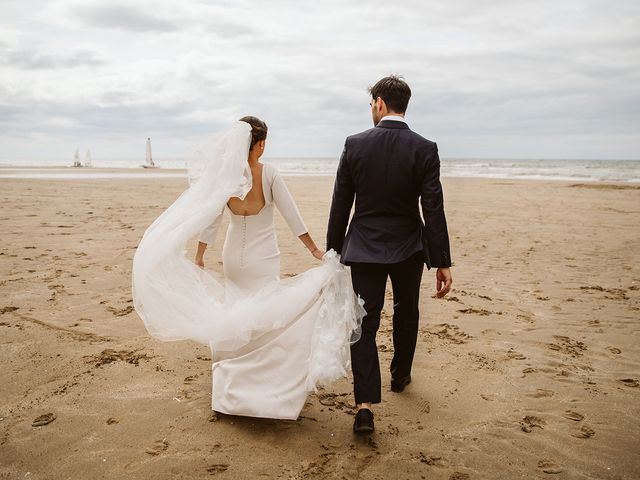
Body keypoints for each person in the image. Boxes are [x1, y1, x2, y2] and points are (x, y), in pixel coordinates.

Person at [132, 118, 363, 421]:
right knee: (263, 321)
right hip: (263, 258)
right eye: (263, 142)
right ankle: (261, 388)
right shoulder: (268, 174)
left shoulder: (226, 178)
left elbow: (211, 220)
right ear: (259, 144)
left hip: (232, 259)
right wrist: (314, 250)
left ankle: (228, 391)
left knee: (235, 316)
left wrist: (201, 255)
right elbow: (292, 217)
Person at [327, 75, 453, 433]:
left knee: (364, 322)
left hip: (364, 248)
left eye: (371, 105)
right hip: (408, 248)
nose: (371, 110)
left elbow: (341, 204)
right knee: (406, 311)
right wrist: (441, 260)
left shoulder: (355, 144)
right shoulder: (424, 148)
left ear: (380, 104)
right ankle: (400, 377)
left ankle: (364, 406)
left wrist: (333, 251)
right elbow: (433, 208)